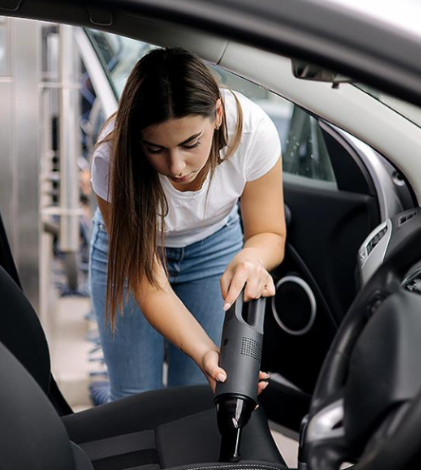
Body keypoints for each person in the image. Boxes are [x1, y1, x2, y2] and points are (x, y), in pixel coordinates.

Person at [88, 47, 285, 403]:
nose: (176, 166)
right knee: (134, 397)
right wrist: (204, 351)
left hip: (213, 246)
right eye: (155, 149)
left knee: (193, 395)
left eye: (189, 143)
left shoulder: (253, 131)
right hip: (133, 253)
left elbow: (269, 233)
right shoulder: (112, 155)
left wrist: (251, 259)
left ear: (218, 115)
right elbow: (149, 283)